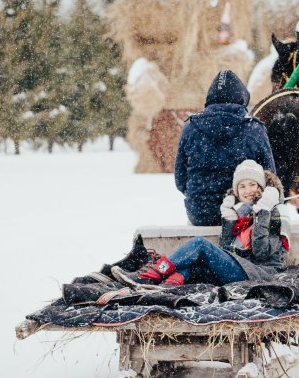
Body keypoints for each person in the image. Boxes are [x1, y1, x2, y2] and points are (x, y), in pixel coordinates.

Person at [113, 159, 287, 286]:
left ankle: (152, 274)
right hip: (243, 269)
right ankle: (164, 287)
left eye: (252, 184)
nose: (247, 190)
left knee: (200, 244)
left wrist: (262, 211)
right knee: (192, 266)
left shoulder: (271, 212)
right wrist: (229, 219)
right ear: (236, 191)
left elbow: (262, 252)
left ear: (261, 188)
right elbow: (227, 250)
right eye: (242, 186)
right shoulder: (239, 213)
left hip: (261, 274)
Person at [175, 69, 276, 227]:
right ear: (242, 98)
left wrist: (203, 197)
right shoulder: (254, 128)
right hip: (243, 214)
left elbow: (180, 180)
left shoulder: (191, 127)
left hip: (201, 214)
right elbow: (270, 175)